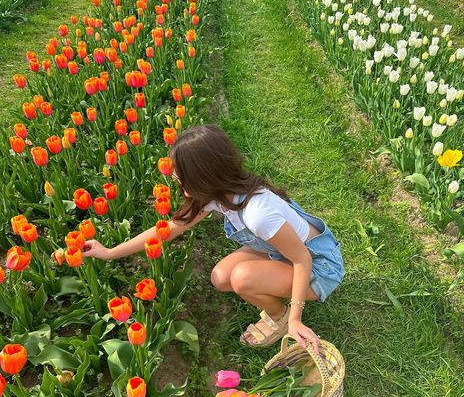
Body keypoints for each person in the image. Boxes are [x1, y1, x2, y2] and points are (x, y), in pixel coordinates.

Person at [83, 124, 344, 351]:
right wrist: (109, 252)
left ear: (203, 175)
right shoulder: (218, 195)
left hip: (318, 266)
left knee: (242, 278)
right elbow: (170, 228)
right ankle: (276, 296)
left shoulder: (257, 213)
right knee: (221, 277)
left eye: (179, 174)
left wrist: (296, 318)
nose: (175, 178)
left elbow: (301, 259)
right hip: (281, 251)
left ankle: (280, 317)